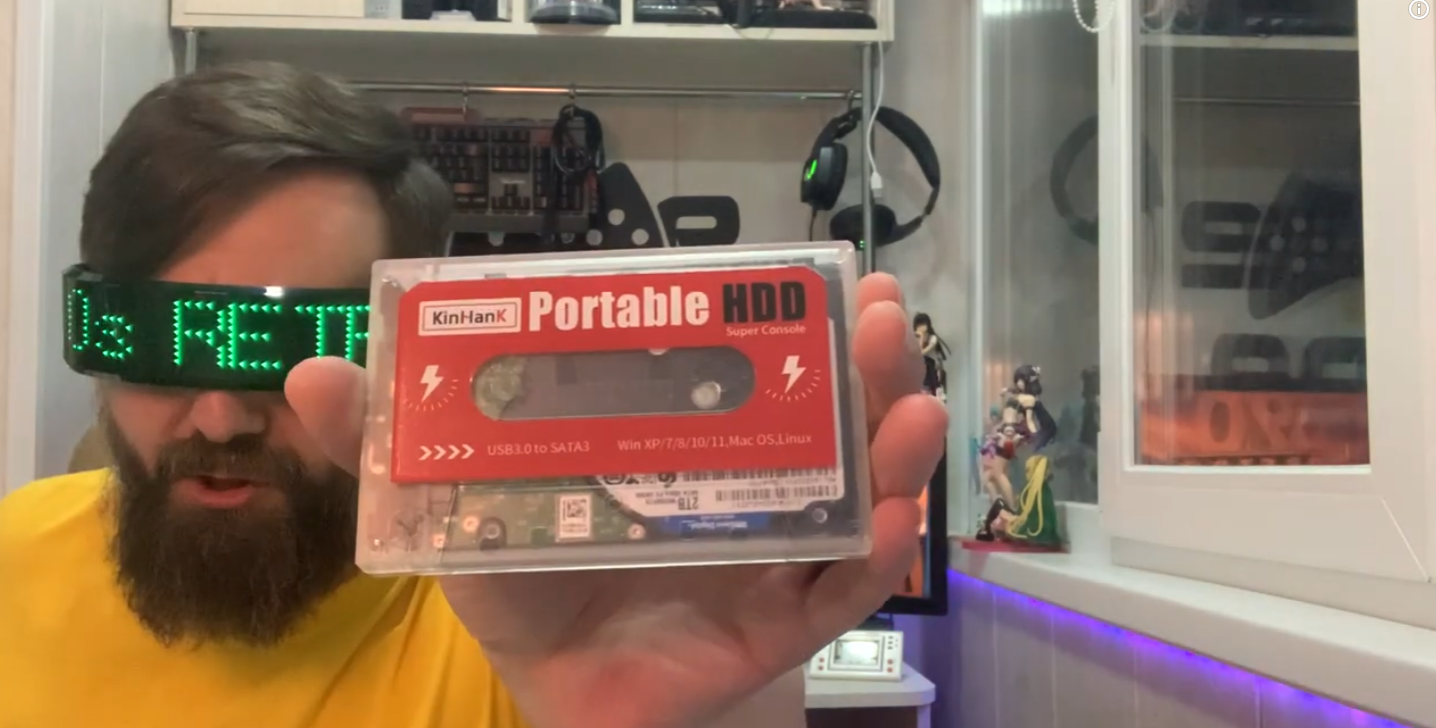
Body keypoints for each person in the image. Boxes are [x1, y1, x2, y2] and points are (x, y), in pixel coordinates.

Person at [0, 62, 947, 728]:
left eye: (297, 351)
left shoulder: (546, 616)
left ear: (406, 354)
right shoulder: (10, 561)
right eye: (157, 344)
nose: (219, 416)